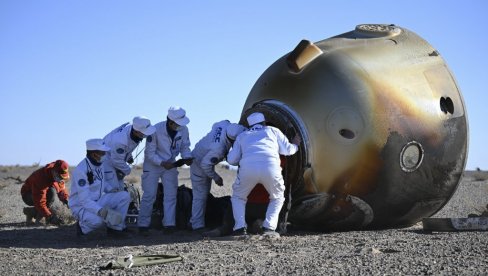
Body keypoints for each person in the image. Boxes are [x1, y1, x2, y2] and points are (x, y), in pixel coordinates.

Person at [227, 112, 300, 238]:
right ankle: (269, 228)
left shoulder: (242, 136)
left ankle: (239, 228)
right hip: (270, 167)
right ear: (264, 122)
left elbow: (232, 160)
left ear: (249, 125)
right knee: (277, 197)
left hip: (248, 168)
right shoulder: (272, 130)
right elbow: (288, 151)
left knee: (238, 197)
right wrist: (296, 144)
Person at [137, 106, 193, 235]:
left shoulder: (184, 130)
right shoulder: (155, 130)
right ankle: (143, 225)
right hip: (153, 166)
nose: (180, 126)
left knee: (171, 195)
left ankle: (169, 225)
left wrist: (187, 157)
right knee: (149, 195)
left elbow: (185, 147)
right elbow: (149, 154)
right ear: (169, 121)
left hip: (171, 165)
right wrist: (162, 163)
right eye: (177, 124)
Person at [189, 121, 246, 231]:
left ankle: (196, 221)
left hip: (204, 157)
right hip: (198, 163)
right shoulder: (218, 149)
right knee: (200, 196)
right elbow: (205, 165)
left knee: (204, 193)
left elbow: (214, 125)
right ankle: (196, 225)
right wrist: (216, 178)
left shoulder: (225, 125)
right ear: (233, 140)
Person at [69, 139, 131, 238]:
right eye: (103, 153)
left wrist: (112, 190)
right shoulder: (81, 170)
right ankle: (82, 228)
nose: (105, 155)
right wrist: (100, 211)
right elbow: (84, 200)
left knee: (124, 196)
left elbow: (101, 181)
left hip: (97, 201)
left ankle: (115, 230)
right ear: (94, 154)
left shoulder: (99, 164)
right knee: (99, 221)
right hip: (81, 206)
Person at [103, 116, 156, 189]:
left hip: (114, 157)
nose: (146, 135)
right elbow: (117, 161)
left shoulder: (134, 131)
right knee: (114, 190)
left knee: (119, 188)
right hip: (106, 162)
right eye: (144, 133)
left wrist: (129, 157)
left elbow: (126, 148)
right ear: (136, 131)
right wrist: (127, 170)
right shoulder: (120, 141)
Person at [20, 160, 70, 225]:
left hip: (41, 194)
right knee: (51, 194)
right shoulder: (41, 178)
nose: (61, 179)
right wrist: (50, 217)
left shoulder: (56, 174)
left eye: (62, 177)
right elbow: (40, 202)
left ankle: (30, 212)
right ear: (54, 172)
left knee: (51, 196)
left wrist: (66, 200)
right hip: (28, 194)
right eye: (60, 177)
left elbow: (62, 190)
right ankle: (39, 219)